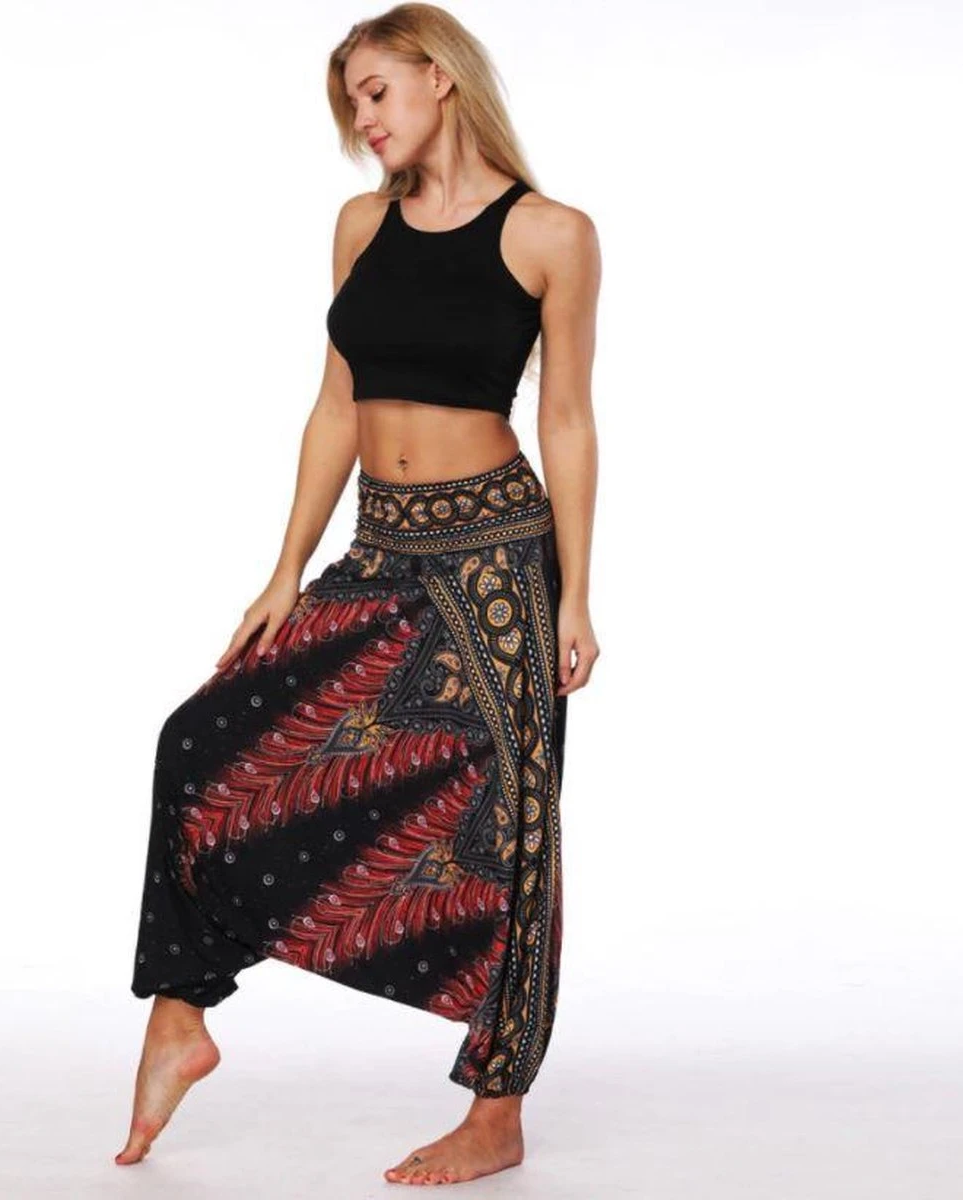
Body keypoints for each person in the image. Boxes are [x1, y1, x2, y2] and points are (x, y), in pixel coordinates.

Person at [115, 2, 601, 1186]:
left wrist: (578, 596)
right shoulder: (359, 226)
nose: (362, 122)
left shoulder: (551, 233)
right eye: (351, 105)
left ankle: (498, 1108)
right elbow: (336, 403)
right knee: (200, 742)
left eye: (375, 93)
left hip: (495, 560)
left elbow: (569, 419)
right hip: (382, 548)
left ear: (439, 76)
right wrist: (286, 569)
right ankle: (181, 1011)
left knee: (513, 831)